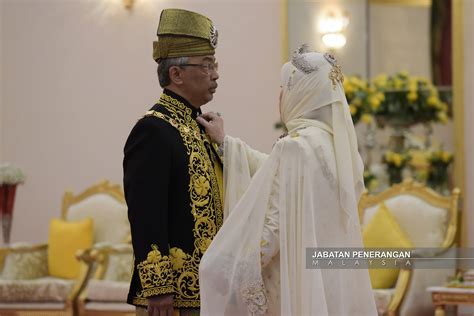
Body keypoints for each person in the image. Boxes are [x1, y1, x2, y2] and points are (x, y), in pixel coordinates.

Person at [197, 45, 377, 315]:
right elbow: (275, 173)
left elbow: (274, 226)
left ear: (302, 95)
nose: (280, 97)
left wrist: (231, 265)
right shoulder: (334, 149)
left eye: (285, 88)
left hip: (290, 287)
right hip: (326, 287)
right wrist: (228, 144)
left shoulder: (294, 148)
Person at [123, 8, 223, 316]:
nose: (216, 74)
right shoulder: (153, 129)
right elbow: (146, 212)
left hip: (207, 287)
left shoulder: (199, 125)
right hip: (172, 299)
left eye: (214, 64)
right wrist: (158, 289)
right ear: (176, 74)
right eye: (206, 66)